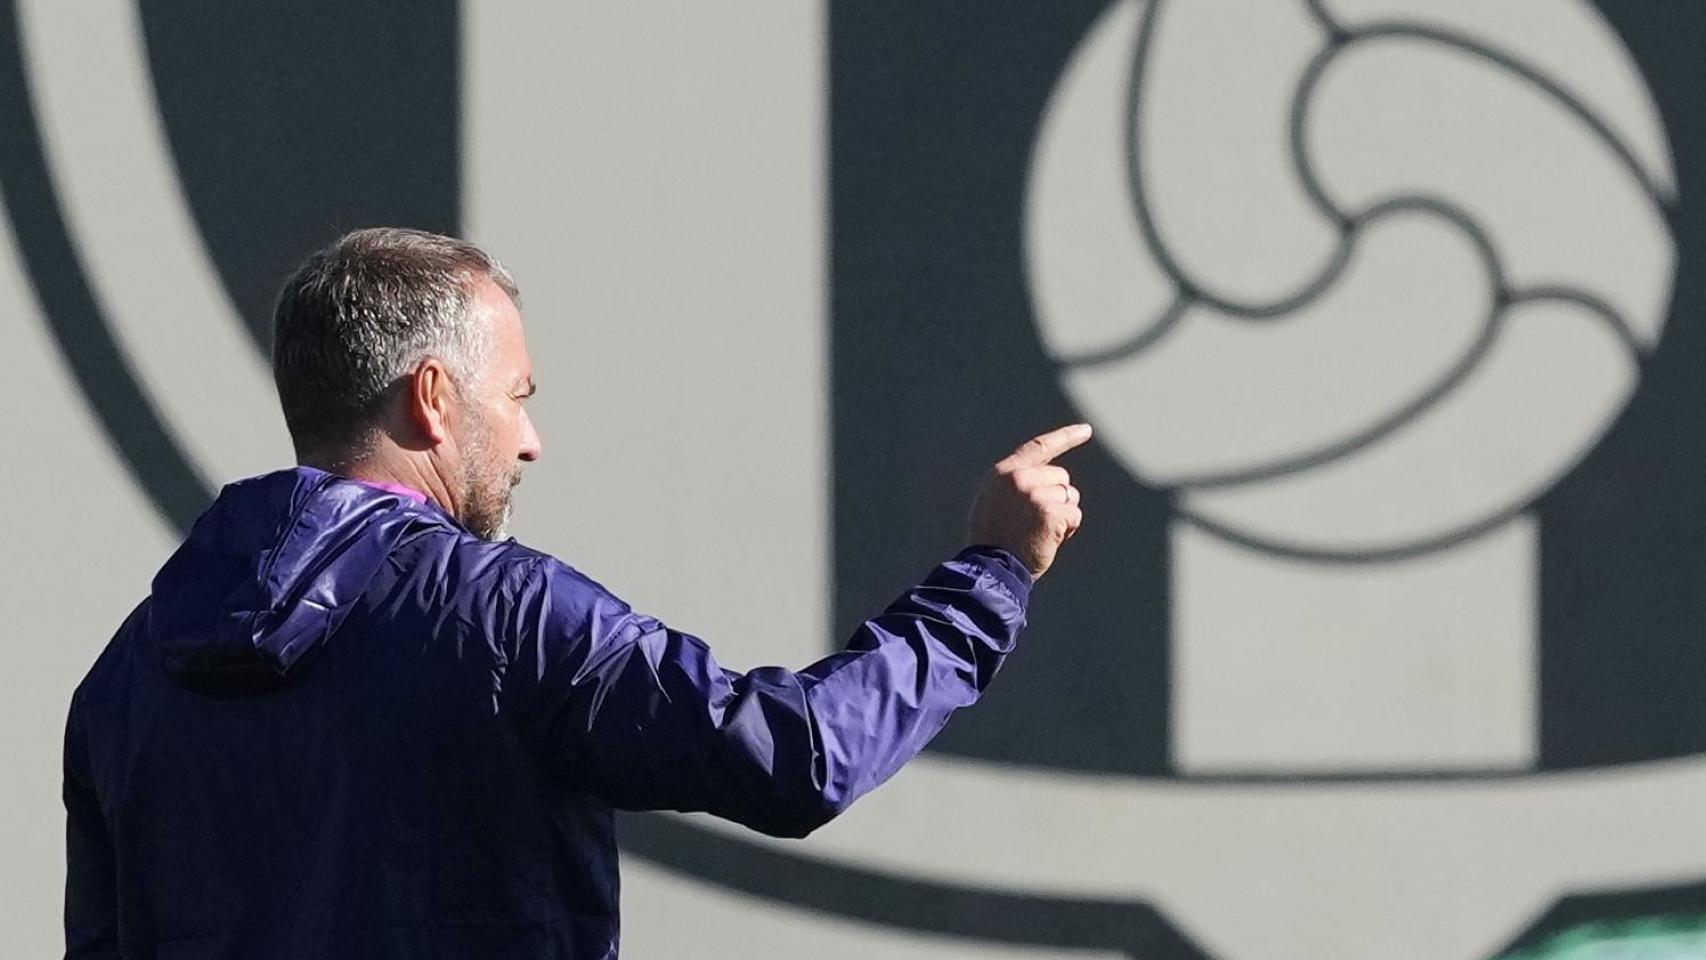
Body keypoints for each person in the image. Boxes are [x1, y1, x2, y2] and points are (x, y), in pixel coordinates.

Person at [62, 227, 1089, 959]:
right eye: (516, 398)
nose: (530, 441)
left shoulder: (125, 676)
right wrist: (988, 576)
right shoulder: (501, 618)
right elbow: (797, 759)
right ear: (430, 396)